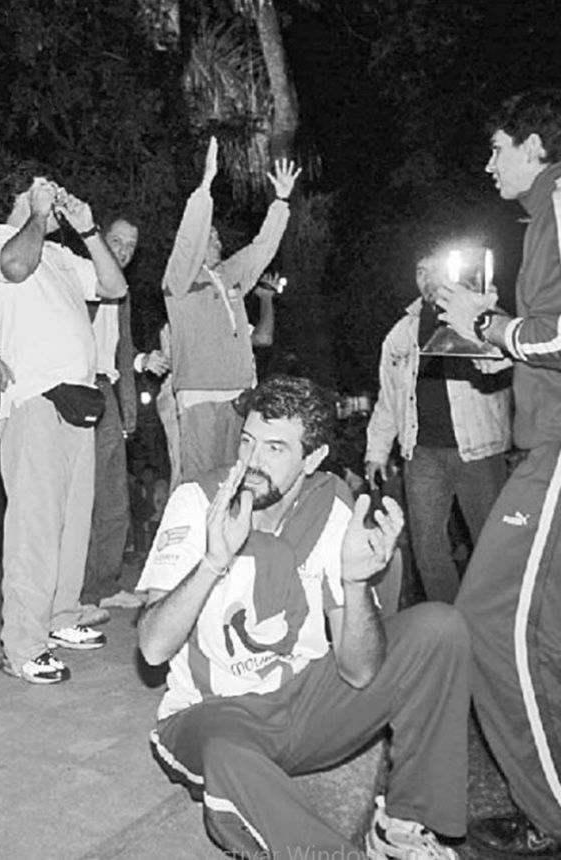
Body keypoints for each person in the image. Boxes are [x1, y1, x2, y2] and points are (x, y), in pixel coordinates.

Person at [137, 374, 468, 858]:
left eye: (275, 449)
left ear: (312, 459)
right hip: (213, 717)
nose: (251, 461)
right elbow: (152, 646)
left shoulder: (332, 505)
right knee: (227, 753)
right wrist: (212, 562)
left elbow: (359, 671)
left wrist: (355, 583)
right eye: (247, 442)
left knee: (440, 628)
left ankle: (402, 825)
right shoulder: (198, 500)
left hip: (304, 705)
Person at [435, 88, 561, 856]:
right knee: (542, 637)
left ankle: (549, 808)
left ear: (536, 144)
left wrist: (490, 325)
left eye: (497, 147)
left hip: (557, 451)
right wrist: (494, 343)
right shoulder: (541, 218)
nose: (488, 164)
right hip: (543, 439)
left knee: (483, 618)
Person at [0, 164, 128, 683]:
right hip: (33, 399)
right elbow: (14, 268)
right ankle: (23, 644)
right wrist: (36, 214)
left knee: (72, 522)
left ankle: (60, 616)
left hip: (80, 399)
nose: (56, 198)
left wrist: (86, 229)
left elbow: (113, 286)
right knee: (34, 525)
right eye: (45, 191)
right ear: (18, 196)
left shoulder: (60, 254)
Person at [365, 251, 511, 603]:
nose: (428, 278)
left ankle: (498, 622)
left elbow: (508, 360)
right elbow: (389, 397)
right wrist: (376, 451)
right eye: (420, 271)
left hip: (477, 449)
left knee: (492, 545)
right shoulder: (402, 333)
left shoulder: (482, 314)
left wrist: (482, 320)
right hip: (421, 452)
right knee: (428, 548)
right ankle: (448, 625)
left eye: (435, 269)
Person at [162, 136, 300, 482]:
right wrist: (205, 188)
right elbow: (187, 241)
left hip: (240, 396)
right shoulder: (179, 281)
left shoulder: (230, 276)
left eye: (218, 237)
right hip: (201, 398)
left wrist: (281, 202)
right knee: (201, 485)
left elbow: (262, 248)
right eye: (210, 237)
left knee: (235, 481)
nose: (217, 241)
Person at [80, 216, 142, 619]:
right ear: (100, 239)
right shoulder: (83, 274)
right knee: (82, 497)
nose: (121, 251)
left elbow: (123, 348)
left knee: (114, 495)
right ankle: (80, 594)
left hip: (109, 391)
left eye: (129, 246)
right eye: (116, 241)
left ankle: (106, 585)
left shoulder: (123, 291)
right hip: (79, 389)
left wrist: (129, 406)